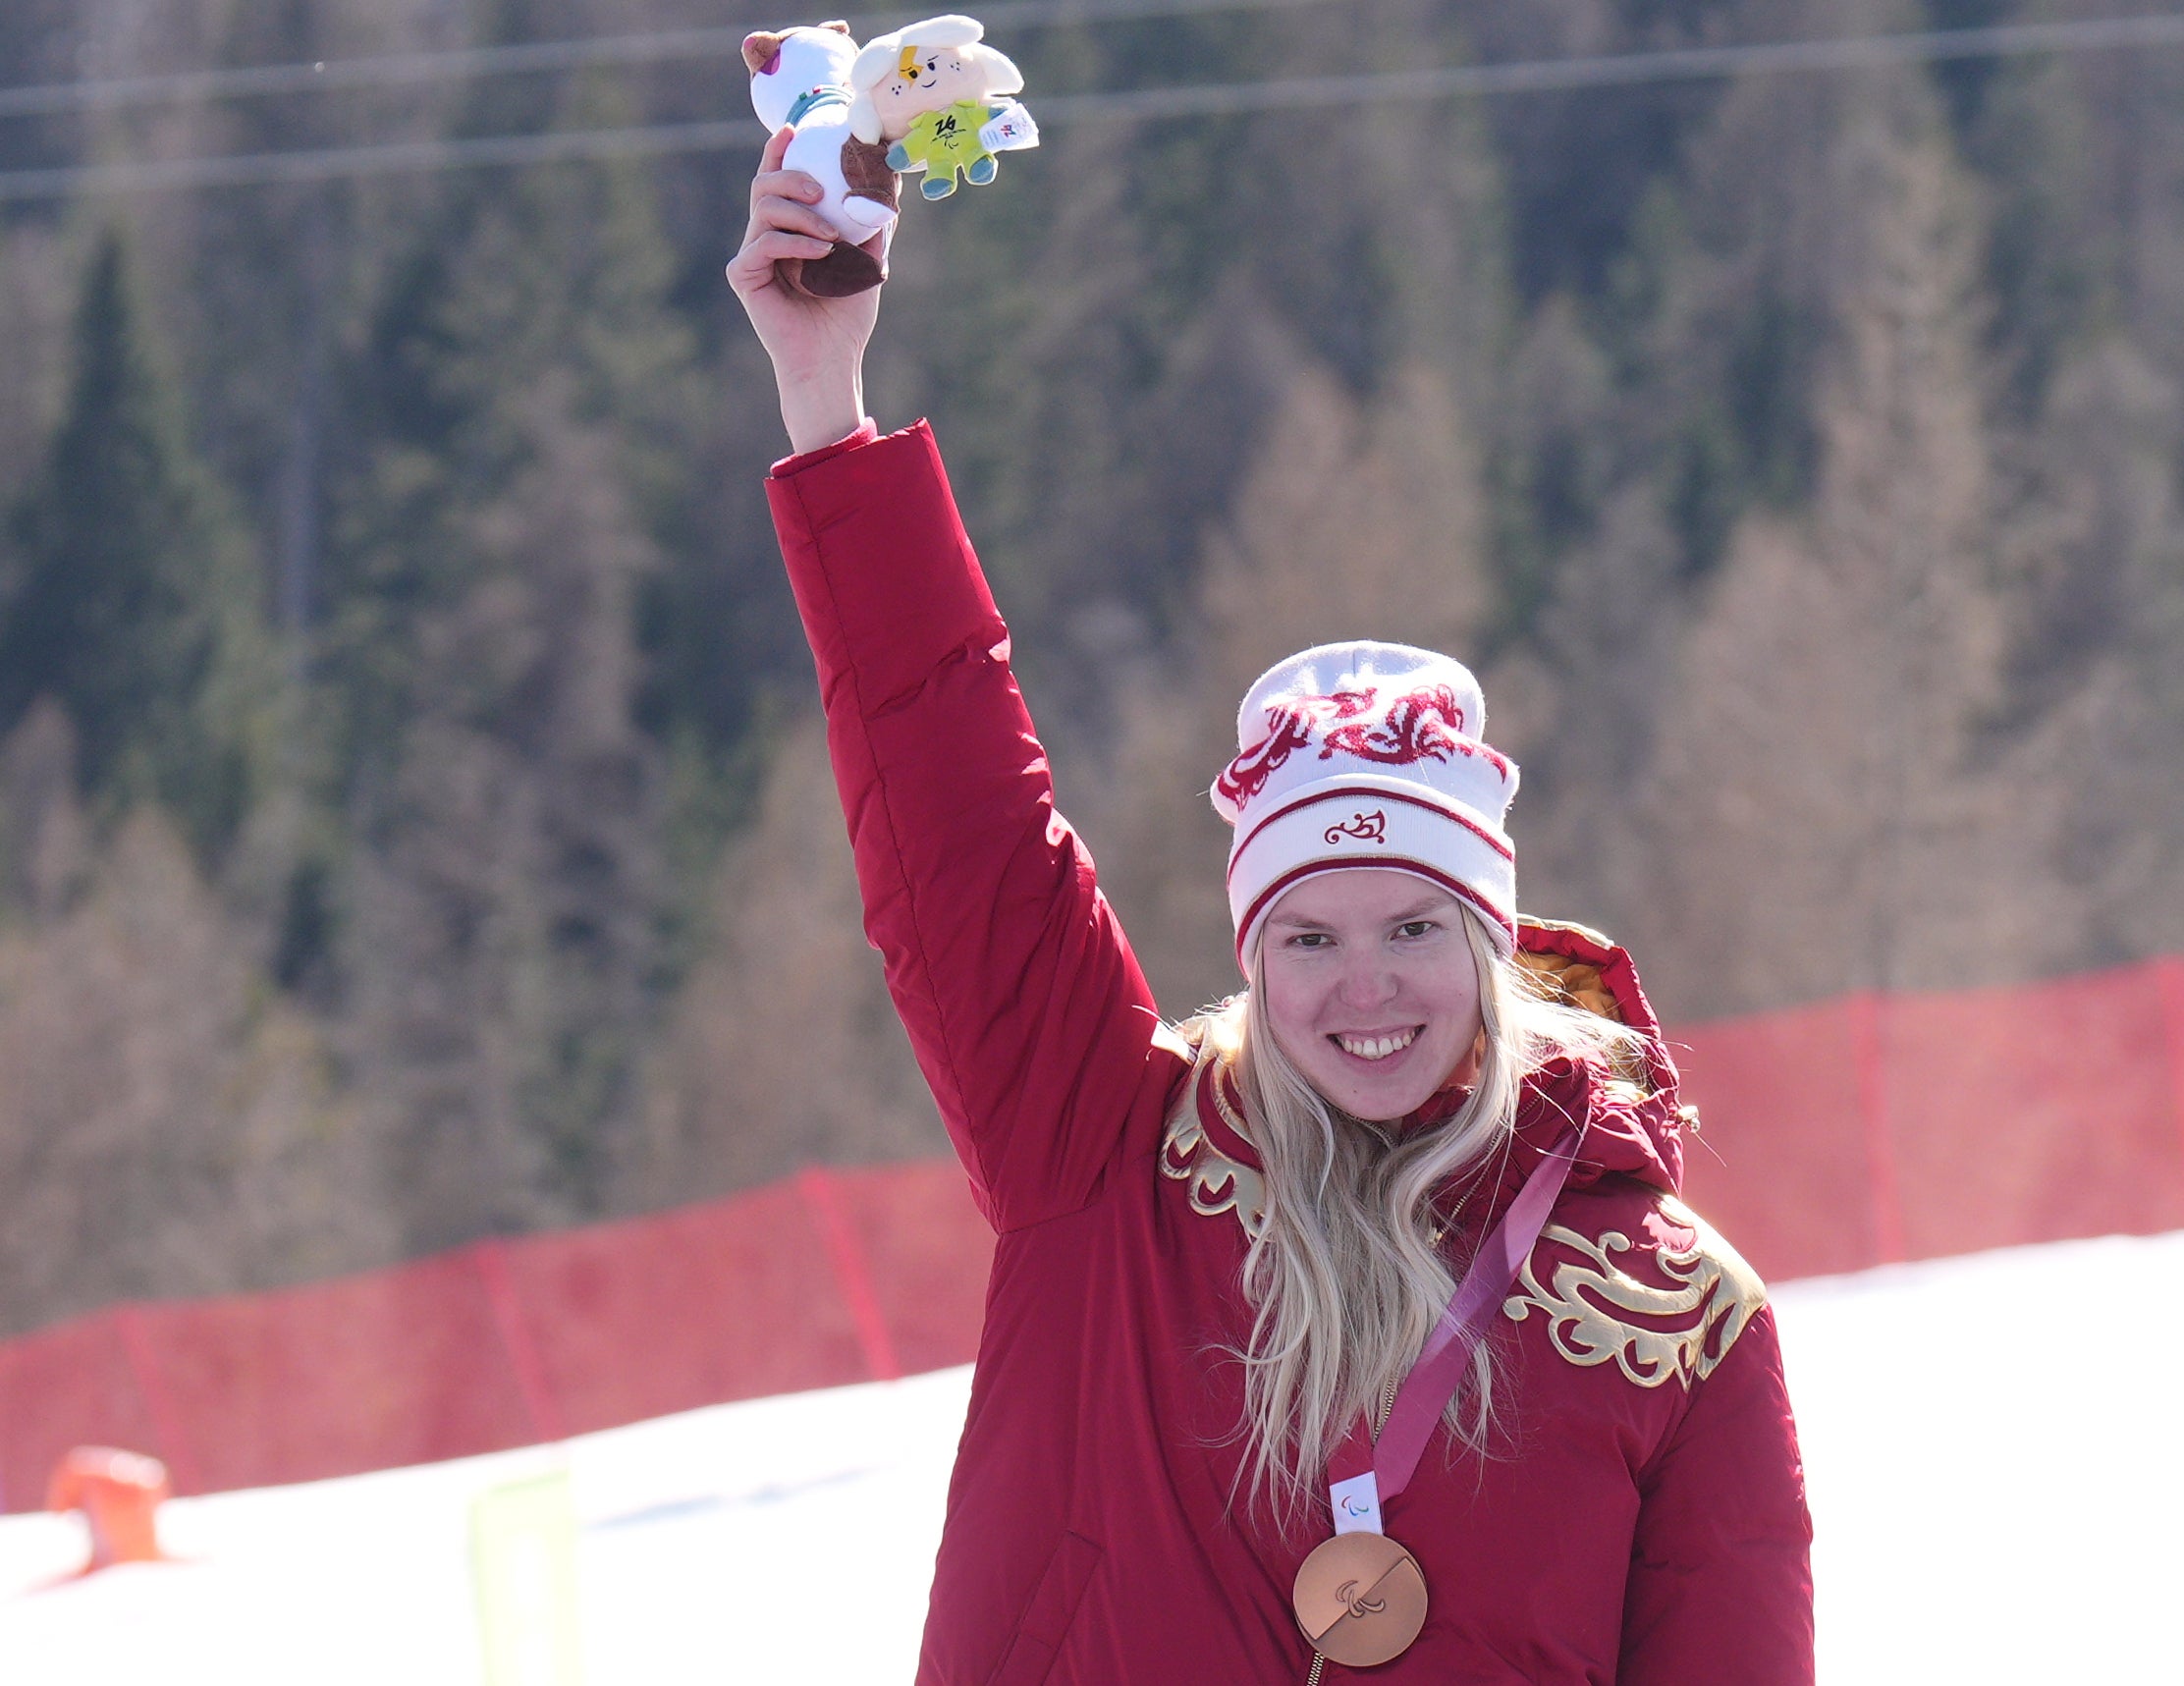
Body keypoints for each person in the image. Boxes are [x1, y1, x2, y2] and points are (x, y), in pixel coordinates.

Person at [729, 125, 1815, 1685]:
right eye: (1307, 937)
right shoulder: (1102, 1145)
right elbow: (959, 821)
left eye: (1413, 929)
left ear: (1494, 939)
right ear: (1249, 950)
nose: (1361, 986)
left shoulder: (1673, 1314)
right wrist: (826, 405)